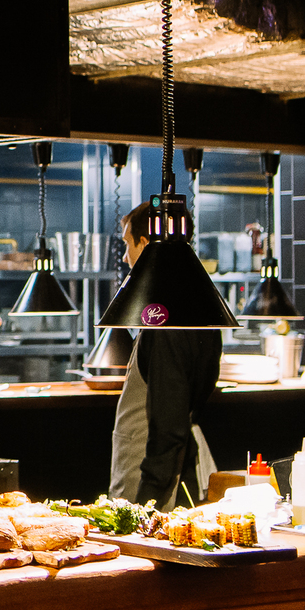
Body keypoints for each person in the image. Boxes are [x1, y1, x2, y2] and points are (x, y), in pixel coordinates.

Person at [109, 202, 220, 509]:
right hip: (172, 470)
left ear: (146, 244)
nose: (125, 256)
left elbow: (168, 428)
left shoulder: (167, 323)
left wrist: (148, 505)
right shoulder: (202, 307)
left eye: (127, 244)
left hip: (151, 480)